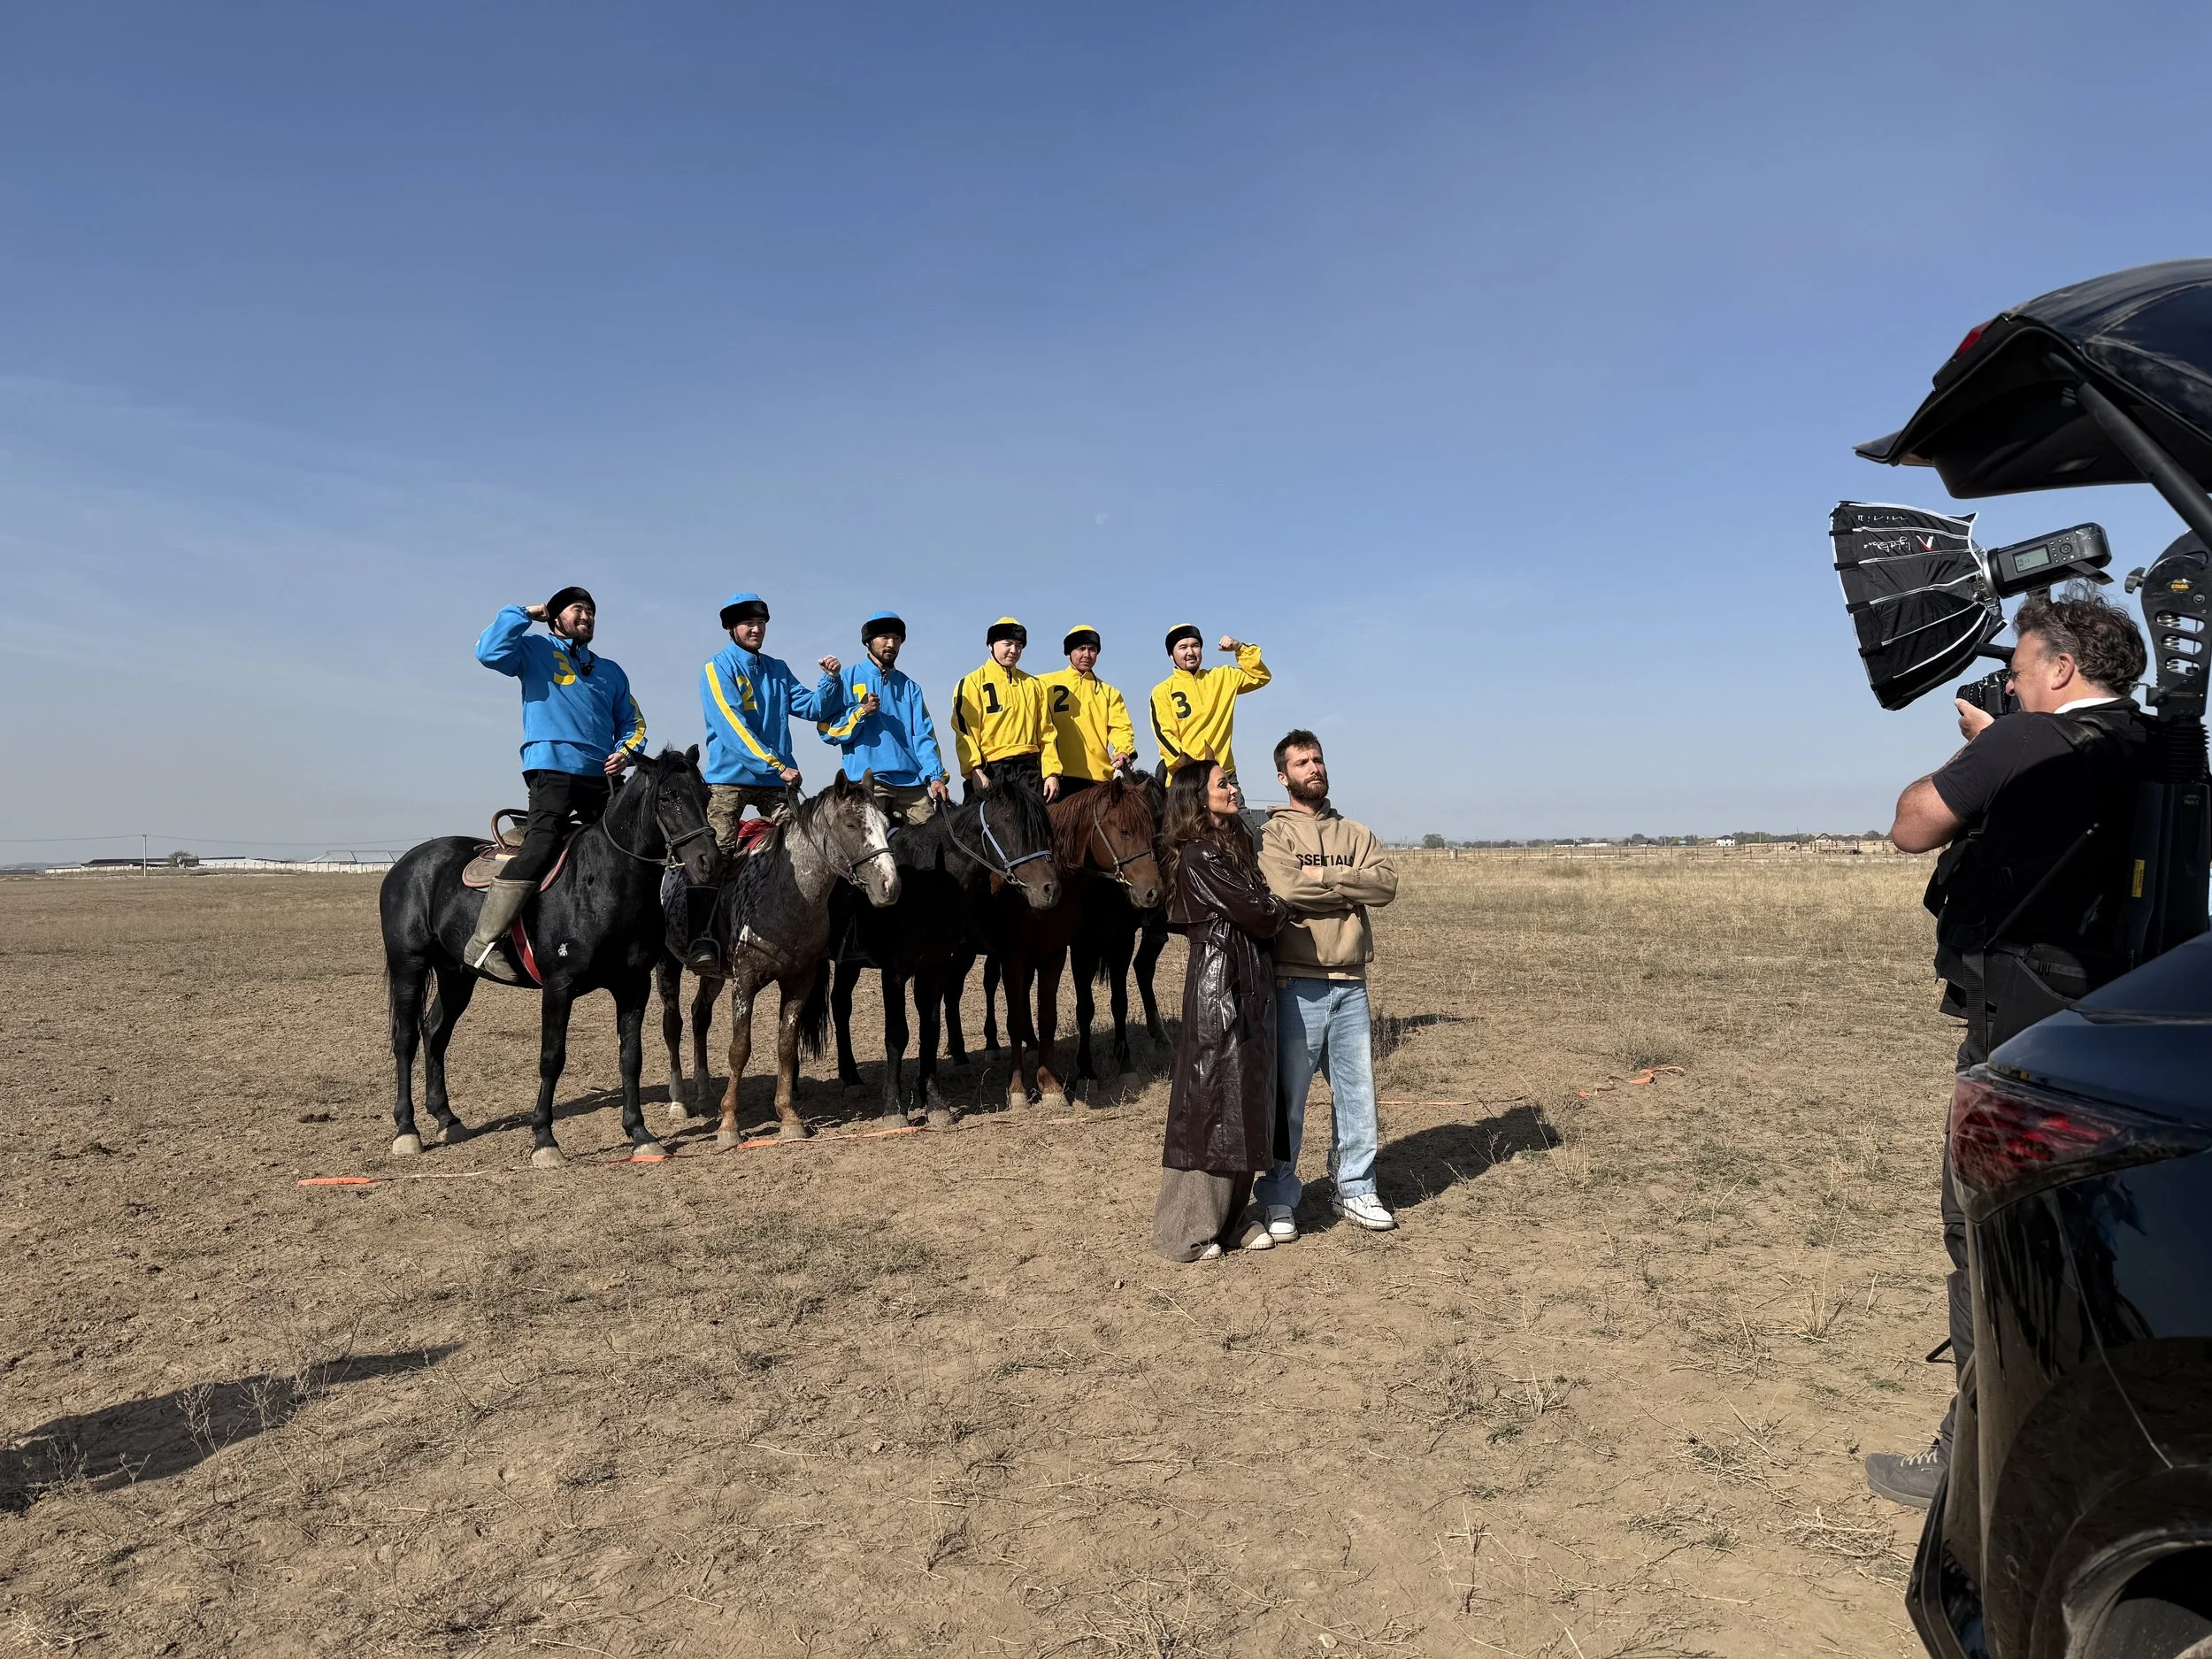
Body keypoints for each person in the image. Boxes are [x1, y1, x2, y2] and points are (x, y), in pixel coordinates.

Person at [1863, 591, 2149, 1509]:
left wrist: (1981, 741)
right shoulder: (2157, 743)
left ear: (2060, 670)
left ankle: (1977, 1450)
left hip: (2022, 1033)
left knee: (1986, 1238)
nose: (2016, 684)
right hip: (2121, 1026)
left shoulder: (2023, 742)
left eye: (2023, 669)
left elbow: (1913, 824)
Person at [1255, 729, 1402, 1238]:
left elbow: (1386, 884)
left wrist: (1327, 884)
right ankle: (1278, 1198)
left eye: (1317, 759)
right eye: (1301, 763)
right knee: (1288, 1099)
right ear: (1283, 776)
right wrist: (1348, 889)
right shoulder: (1274, 835)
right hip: (1296, 982)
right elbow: (1285, 886)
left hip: (1350, 982)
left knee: (1358, 1095)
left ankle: (1356, 1189)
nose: (1313, 768)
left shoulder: (1356, 832)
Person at [465, 588, 648, 982]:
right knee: (542, 845)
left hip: (601, 774)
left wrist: (626, 753)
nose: (586, 616)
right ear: (555, 618)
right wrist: (524, 613)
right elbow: (488, 651)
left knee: (631, 846)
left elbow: (634, 724)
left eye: (592, 612)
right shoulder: (532, 650)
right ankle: (484, 942)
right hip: (551, 768)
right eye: (577, 609)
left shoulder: (611, 671)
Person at [1153, 759, 1294, 1263]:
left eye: (1231, 781)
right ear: (1197, 796)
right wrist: (1277, 908)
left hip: (1246, 976)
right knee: (1213, 1103)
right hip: (1221, 984)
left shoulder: (1230, 848)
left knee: (1243, 1099)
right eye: (1223, 783)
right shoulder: (1198, 855)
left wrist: (1269, 906)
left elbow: (1258, 905)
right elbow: (1259, 910)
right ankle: (1186, 1230)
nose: (1233, 788)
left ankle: (1232, 1220)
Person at [684, 591, 846, 971]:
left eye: (761, 623)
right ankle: (701, 939)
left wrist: (831, 681)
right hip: (731, 778)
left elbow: (813, 707)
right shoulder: (717, 667)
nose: (756, 629)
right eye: (748, 623)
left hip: (776, 780)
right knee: (715, 853)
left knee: (812, 848)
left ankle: (821, 935)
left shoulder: (777, 668)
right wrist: (776, 764)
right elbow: (731, 726)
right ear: (732, 629)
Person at [818, 609, 953, 826]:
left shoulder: (910, 688)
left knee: (938, 838)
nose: (891, 644)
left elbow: (923, 736)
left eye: (897, 639)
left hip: (912, 784)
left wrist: (935, 776)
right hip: (868, 782)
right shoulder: (846, 679)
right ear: (869, 641)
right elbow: (827, 731)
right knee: (865, 847)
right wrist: (860, 712)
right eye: (885, 638)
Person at [952, 617, 1064, 802]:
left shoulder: (1034, 685)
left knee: (1044, 827)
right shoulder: (971, 683)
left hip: (1028, 772)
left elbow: (1047, 732)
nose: (1014, 650)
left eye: (1019, 645)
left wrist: (1051, 772)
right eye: (1008, 644)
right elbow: (965, 733)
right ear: (991, 645)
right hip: (991, 770)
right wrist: (975, 771)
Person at [1150, 626, 1270, 782]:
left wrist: (1239, 648)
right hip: (1185, 779)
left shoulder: (1223, 676)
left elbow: (1260, 677)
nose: (1190, 652)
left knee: (1239, 808)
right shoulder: (1162, 691)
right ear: (1171, 655)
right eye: (1183, 647)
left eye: (1195, 646)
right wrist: (1190, 766)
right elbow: (1164, 736)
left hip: (1223, 774)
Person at [1038, 625, 1138, 795]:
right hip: (1058, 777)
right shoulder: (1043, 684)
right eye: (1080, 649)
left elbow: (1121, 728)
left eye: (1092, 649)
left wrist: (1123, 749)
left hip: (1098, 779)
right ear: (1068, 652)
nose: (1086, 654)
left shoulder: (1110, 693)